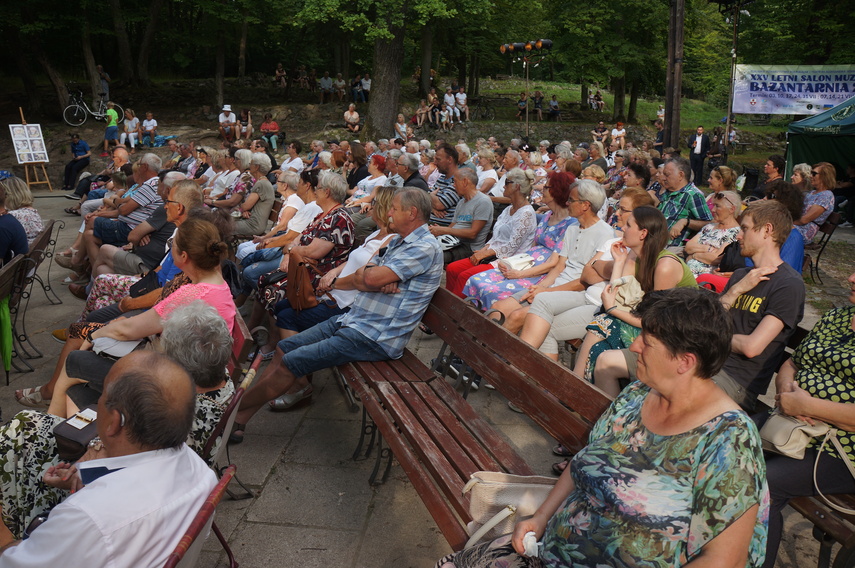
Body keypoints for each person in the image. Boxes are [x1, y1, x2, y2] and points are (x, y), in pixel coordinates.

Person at [436, 288, 768, 568]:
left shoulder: (728, 438)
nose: (635, 346)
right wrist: (541, 517)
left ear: (685, 361)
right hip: (551, 550)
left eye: (647, 342)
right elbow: (586, 459)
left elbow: (726, 559)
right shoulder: (638, 395)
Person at [230, 187, 443, 441]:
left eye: (395, 209)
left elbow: (370, 275)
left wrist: (372, 276)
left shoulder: (424, 247)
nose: (389, 214)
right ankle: (239, 420)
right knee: (284, 348)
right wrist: (371, 277)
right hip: (351, 320)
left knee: (291, 361)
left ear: (413, 213)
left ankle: (233, 411)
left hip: (374, 337)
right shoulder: (397, 240)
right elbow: (367, 273)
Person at [0, 351, 217, 567]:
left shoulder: (86, 518)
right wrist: (85, 480)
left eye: (101, 395)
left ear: (114, 422)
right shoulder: (201, 472)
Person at [15, 215, 236, 407]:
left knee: (77, 358)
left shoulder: (191, 293)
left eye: (172, 244)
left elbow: (129, 330)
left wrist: (98, 333)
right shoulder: (214, 285)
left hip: (170, 380)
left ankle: (51, 404)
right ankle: (59, 415)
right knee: (79, 382)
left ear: (184, 256)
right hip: (184, 369)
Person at [761, 270, 855, 568]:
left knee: (764, 485)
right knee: (723, 437)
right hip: (792, 423)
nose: (850, 278)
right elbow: (792, 361)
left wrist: (810, 405)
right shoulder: (839, 317)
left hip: (842, 449)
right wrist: (788, 392)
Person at [518, 188, 655, 360]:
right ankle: (524, 370)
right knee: (540, 306)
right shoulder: (614, 242)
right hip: (589, 297)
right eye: (618, 208)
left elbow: (612, 286)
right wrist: (605, 266)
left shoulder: (637, 252)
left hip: (600, 306)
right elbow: (587, 274)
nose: (617, 214)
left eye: (623, 210)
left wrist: (603, 265)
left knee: (543, 321)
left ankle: (518, 364)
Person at [571, 206, 697, 382]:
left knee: (602, 322)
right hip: (649, 322)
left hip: (675, 336)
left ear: (643, 233)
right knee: (599, 341)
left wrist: (612, 310)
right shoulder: (635, 255)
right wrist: (620, 261)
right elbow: (617, 296)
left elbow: (655, 321)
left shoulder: (665, 266)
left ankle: (573, 385)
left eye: (628, 225)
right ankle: (578, 389)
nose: (622, 228)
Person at [490, 179, 613, 334]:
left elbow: (585, 282)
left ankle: (490, 355)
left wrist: (546, 292)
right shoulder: (573, 227)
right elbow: (559, 266)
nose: (567, 203)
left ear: (585, 205)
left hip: (576, 294)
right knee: (498, 309)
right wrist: (542, 287)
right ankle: (477, 350)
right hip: (555, 286)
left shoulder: (605, 234)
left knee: (517, 316)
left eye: (571, 200)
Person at [463, 172, 576, 310]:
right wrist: (512, 263)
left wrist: (519, 273)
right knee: (476, 280)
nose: (542, 189)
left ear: (556, 191)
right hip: (526, 263)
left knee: (490, 289)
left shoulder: (570, 224)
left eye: (546, 187)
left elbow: (554, 263)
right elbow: (532, 247)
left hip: (540, 272)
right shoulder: (548, 215)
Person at [429, 167, 493, 265]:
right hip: (453, 242)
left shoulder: (483, 201)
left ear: (465, 182)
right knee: (424, 246)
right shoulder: (461, 202)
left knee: (431, 254)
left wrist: (444, 230)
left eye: (455, 182)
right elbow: (452, 226)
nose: (453, 185)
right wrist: (438, 231)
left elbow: (472, 233)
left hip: (469, 248)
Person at [658, 157, 713, 247]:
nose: (663, 178)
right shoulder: (668, 191)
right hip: (654, 242)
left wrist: (685, 222)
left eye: (667, 174)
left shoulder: (693, 195)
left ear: (680, 175)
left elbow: (709, 224)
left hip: (671, 247)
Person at [685, 189, 740, 276]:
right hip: (687, 271)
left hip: (704, 278)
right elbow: (688, 247)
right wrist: (707, 249)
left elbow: (716, 258)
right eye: (713, 205)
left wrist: (694, 256)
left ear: (732, 209)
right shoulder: (709, 227)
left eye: (717, 206)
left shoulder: (736, 233)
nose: (713, 210)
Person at [795, 162, 835, 245]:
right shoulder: (812, 193)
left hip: (804, 232)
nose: (810, 176)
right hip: (797, 227)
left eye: (814, 174)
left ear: (825, 176)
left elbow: (804, 220)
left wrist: (784, 222)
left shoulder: (826, 196)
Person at [1, 177, 43, 246]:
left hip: (17, 255)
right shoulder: (32, 211)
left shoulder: (13, 216)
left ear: (9, 196)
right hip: (29, 253)